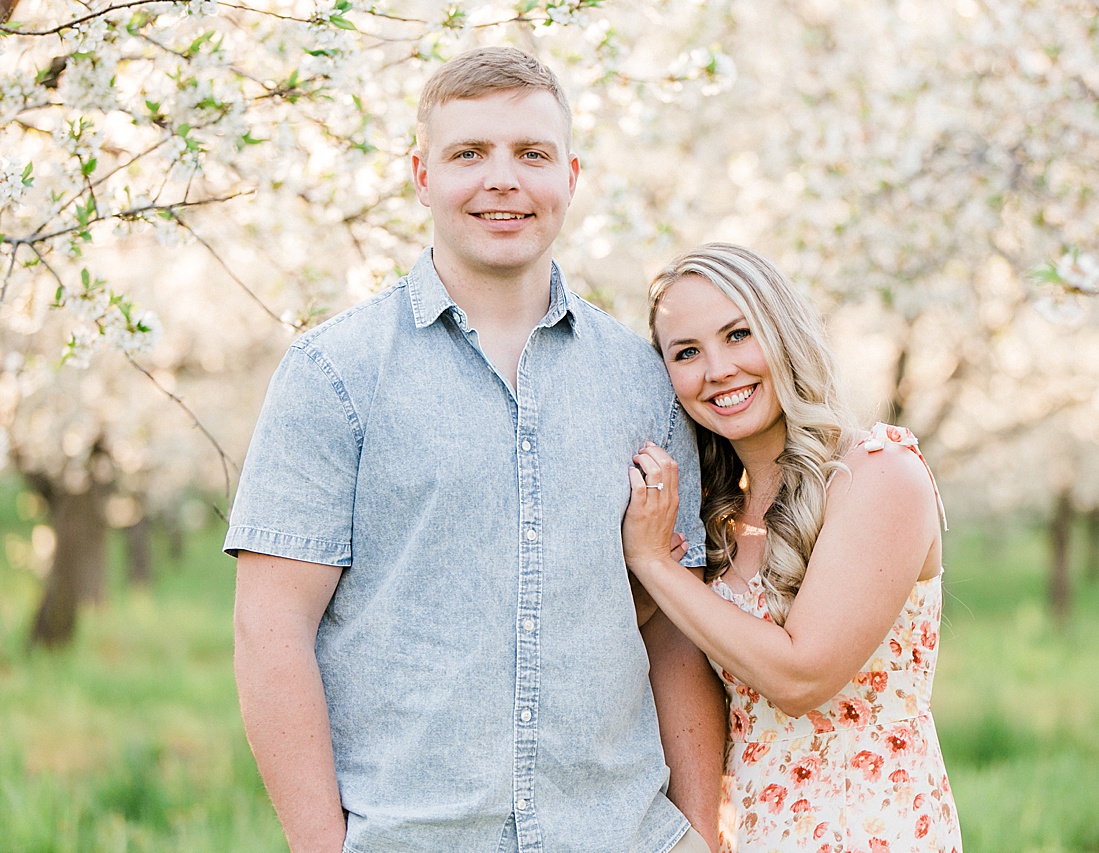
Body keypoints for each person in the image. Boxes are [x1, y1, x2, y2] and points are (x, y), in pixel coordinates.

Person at [226, 47, 725, 852]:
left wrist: (699, 831)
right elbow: (271, 628)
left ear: (571, 175)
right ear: (421, 176)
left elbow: (673, 628)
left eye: (531, 154)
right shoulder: (334, 374)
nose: (503, 180)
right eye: (469, 154)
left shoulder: (644, 379)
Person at [621, 243, 963, 852]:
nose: (718, 369)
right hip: (758, 833)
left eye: (738, 334)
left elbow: (801, 675)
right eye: (687, 353)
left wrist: (652, 563)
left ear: (783, 332)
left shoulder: (879, 475)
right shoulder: (713, 519)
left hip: (875, 827)